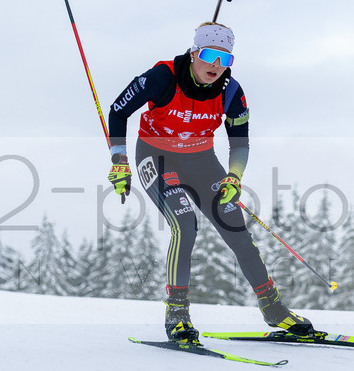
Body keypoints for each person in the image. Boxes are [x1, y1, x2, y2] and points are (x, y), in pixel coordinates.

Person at [105, 22, 314, 342]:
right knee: (184, 224)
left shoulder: (231, 91)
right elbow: (118, 111)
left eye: (225, 59)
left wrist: (235, 176)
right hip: (157, 157)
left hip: (202, 162)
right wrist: (119, 161)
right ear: (193, 54)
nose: (216, 65)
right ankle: (177, 315)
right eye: (209, 55)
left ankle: (274, 310)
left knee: (237, 231)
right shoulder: (162, 77)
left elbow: (240, 143)